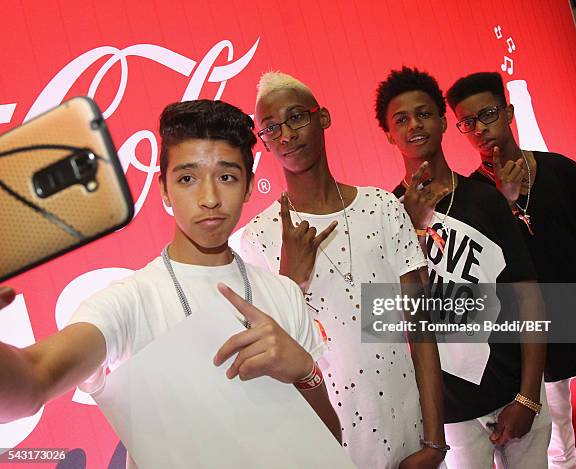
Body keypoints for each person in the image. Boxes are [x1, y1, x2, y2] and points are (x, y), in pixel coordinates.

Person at [0, 99, 341, 468]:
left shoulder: (284, 294)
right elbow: (33, 381)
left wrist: (306, 372)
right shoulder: (130, 301)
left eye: (226, 177)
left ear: (247, 186)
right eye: (187, 178)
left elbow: (330, 444)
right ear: (164, 189)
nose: (209, 199)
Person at [240, 72, 446, 469]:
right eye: (271, 128)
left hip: (408, 431)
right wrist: (289, 281)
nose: (286, 135)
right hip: (328, 445)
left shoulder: (383, 207)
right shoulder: (258, 238)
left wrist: (435, 444)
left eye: (297, 117)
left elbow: (421, 330)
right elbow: (269, 361)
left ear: (324, 118)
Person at [375, 66, 551, 469]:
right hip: (451, 412)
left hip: (514, 390)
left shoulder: (486, 200)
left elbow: (529, 297)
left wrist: (528, 396)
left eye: (423, 113)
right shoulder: (385, 215)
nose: (414, 125)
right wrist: (416, 231)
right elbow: (397, 316)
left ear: (441, 121)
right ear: (388, 134)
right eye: (400, 119)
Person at [447, 71, 576, 469]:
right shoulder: (472, 198)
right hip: (529, 348)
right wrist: (503, 202)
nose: (480, 128)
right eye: (467, 123)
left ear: (509, 112)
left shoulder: (559, 170)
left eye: (488, 114)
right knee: (558, 455)